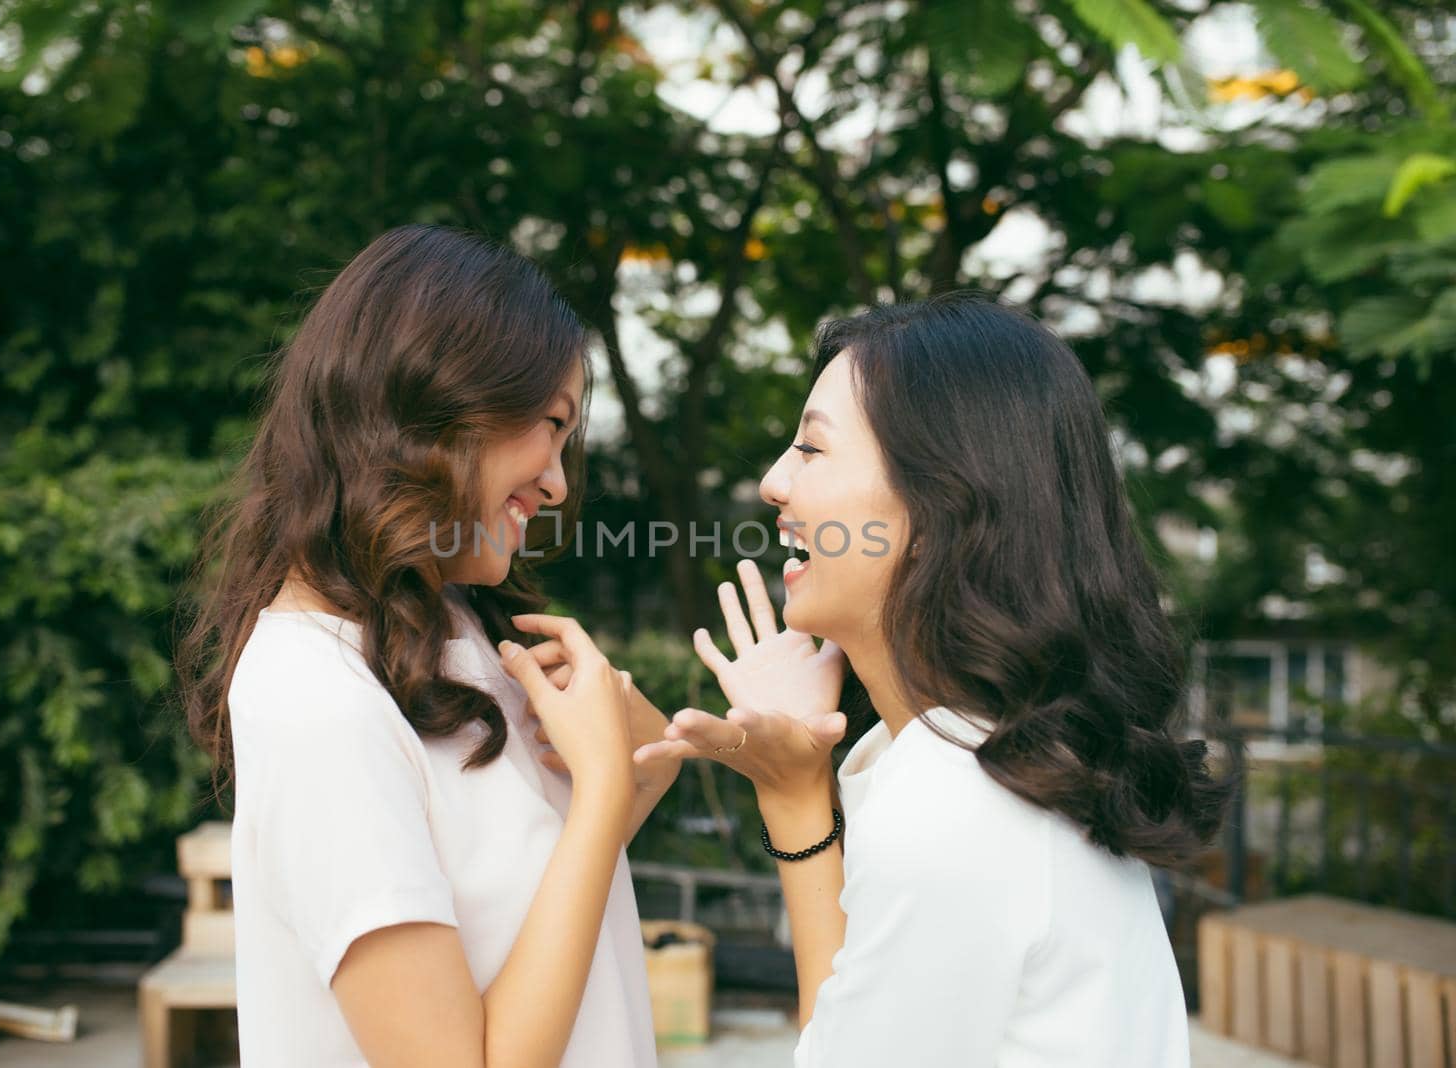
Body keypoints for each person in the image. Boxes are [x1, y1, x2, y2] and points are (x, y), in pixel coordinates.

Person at [635, 295, 1230, 1066]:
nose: (774, 482)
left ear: (938, 510)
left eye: (812, 450)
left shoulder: (957, 805)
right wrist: (795, 789)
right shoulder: (1005, 761)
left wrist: (788, 796)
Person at [174, 225, 675, 1067]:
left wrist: (639, 760)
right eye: (549, 426)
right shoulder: (317, 700)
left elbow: (540, 912)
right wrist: (597, 798)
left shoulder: (444, 626)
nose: (556, 480)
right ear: (435, 406)